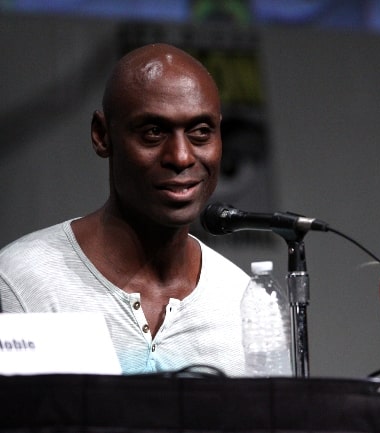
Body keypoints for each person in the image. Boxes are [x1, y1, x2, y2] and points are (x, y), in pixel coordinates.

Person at [0, 43, 251, 375]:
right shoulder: (19, 280)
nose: (181, 156)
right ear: (102, 135)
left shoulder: (244, 301)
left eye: (200, 133)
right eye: (153, 132)